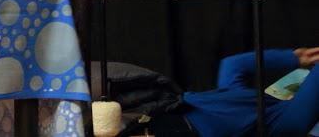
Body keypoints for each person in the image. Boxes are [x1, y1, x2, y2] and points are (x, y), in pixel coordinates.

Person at [131, 47, 319, 137]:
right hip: (172, 115)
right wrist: (294, 59)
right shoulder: (283, 120)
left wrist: (294, 59)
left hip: (170, 114)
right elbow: (232, 65)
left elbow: (232, 65)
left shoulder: (279, 119)